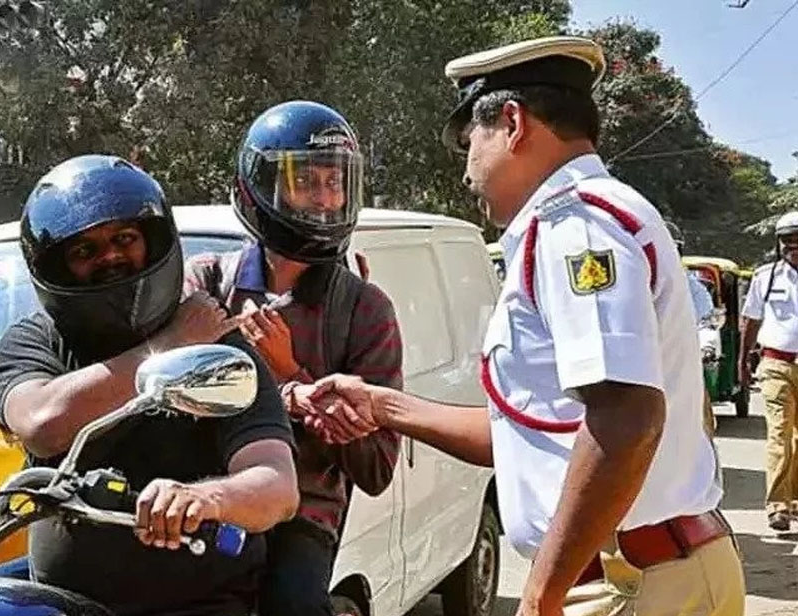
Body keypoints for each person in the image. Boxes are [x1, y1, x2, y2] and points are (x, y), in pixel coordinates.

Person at [309, 36, 744, 615]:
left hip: (627, 583)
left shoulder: (576, 228)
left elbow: (624, 417)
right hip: (640, 572)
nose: (467, 169)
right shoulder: (580, 222)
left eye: (470, 141)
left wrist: (541, 594)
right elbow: (535, 437)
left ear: (512, 123)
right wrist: (381, 405)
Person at [0, 155, 299, 616]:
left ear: (153, 242)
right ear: (56, 266)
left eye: (125, 239)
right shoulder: (36, 341)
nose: (110, 257)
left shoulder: (219, 348)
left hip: (199, 608)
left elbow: (276, 483)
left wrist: (203, 498)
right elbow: (42, 424)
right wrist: (170, 344)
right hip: (62, 604)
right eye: (84, 250)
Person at [183, 100, 403, 616]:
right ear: (260, 186)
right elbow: (174, 390)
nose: (325, 199)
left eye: (335, 182)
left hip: (302, 513)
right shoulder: (207, 283)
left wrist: (291, 377)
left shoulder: (364, 309)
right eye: (305, 181)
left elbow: (375, 468)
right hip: (204, 493)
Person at [739, 210, 798, 532]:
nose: (793, 246)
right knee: (779, 433)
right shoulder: (766, 277)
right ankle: (777, 506)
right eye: (787, 240)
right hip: (776, 364)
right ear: (778, 243)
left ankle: (794, 499)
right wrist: (742, 361)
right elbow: (751, 320)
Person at [666, 220, 720, 437]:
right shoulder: (630, 281)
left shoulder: (692, 287)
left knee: (702, 428)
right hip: (639, 371)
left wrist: (706, 347)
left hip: (683, 368)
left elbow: (705, 323)